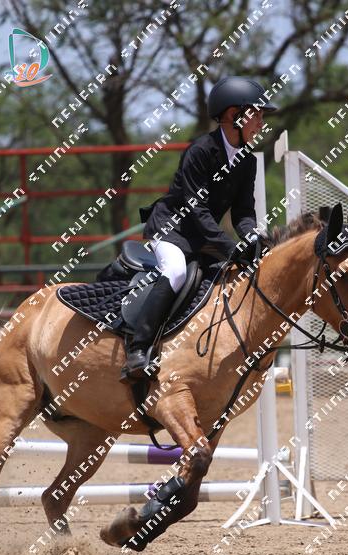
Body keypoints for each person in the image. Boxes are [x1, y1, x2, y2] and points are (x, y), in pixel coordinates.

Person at [122, 76, 277, 380]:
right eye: (257, 114)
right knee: (176, 271)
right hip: (171, 230)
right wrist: (229, 247)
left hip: (202, 238)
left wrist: (251, 238)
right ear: (234, 115)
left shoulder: (247, 161)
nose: (261, 122)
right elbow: (197, 210)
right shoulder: (200, 151)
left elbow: (243, 211)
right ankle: (138, 349)